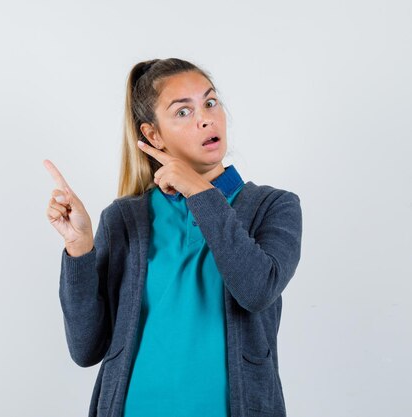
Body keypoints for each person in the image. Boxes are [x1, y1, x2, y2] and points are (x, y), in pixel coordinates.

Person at [44, 58, 303, 417]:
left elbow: (256, 290)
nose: (205, 118)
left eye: (210, 103)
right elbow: (86, 348)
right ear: (153, 135)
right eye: (183, 112)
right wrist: (80, 248)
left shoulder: (274, 206)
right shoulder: (123, 219)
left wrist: (199, 189)